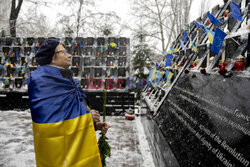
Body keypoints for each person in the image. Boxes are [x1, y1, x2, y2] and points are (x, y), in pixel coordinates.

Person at [27, 39, 110, 167]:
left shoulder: (67, 78)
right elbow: (50, 127)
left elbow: (70, 112)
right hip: (57, 154)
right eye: (63, 52)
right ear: (52, 57)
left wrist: (93, 124)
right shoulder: (43, 81)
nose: (69, 55)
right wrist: (88, 117)